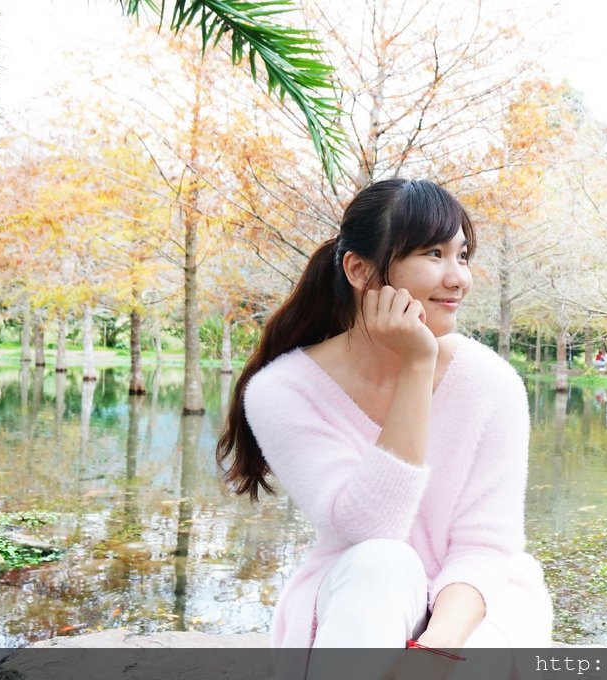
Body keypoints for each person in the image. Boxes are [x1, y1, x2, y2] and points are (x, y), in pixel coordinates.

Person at [215, 179, 552, 676]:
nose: (458, 278)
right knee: (382, 561)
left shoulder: (492, 382)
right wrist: (417, 367)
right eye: (434, 254)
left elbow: (485, 548)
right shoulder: (282, 390)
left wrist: (435, 650)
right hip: (361, 598)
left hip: (476, 602)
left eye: (462, 255)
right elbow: (372, 532)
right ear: (360, 270)